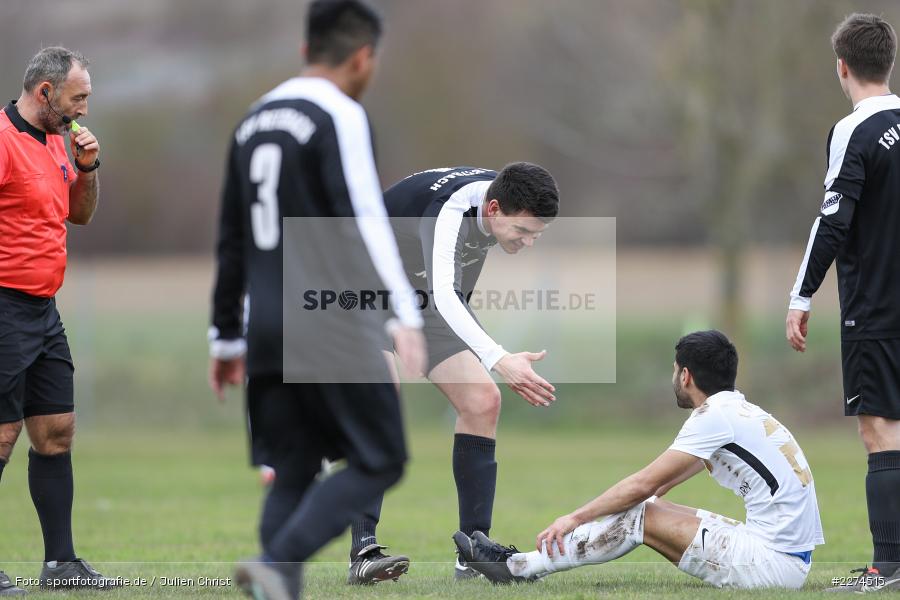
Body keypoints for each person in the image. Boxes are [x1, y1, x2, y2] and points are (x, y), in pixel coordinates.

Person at [207, 1, 425, 598]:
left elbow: (230, 238)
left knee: (295, 472)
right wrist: (404, 312)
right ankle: (278, 561)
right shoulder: (341, 116)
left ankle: (275, 575)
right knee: (381, 460)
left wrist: (226, 337)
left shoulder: (252, 120)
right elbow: (365, 219)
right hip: (329, 322)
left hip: (268, 330)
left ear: (305, 51)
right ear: (363, 57)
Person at [454, 330, 824, 590]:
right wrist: (631, 503)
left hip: (773, 565)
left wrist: (574, 518)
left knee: (642, 513)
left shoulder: (714, 417)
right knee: (648, 507)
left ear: (686, 375)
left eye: (674, 370)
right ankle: (523, 564)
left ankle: (518, 568)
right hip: (786, 559)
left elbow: (642, 486)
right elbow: (658, 486)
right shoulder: (738, 411)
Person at [345, 164, 560, 584]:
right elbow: (445, 295)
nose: (529, 241)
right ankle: (363, 553)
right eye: (523, 230)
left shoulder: (500, 202)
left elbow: (451, 297)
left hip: (418, 298)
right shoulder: (451, 210)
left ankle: (473, 553)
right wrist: (499, 358)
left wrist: (488, 358)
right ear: (494, 208)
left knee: (482, 401)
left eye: (538, 233)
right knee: (379, 401)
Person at [786, 13, 900, 593]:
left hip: (876, 307)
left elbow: (832, 222)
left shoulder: (852, 131)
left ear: (843, 67)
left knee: (880, 430)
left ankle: (884, 569)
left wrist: (800, 296)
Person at [0, 47, 116, 596]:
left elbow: (82, 214)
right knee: (1, 435)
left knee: (56, 432)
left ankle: (60, 564)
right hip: (2, 306)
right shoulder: (2, 140)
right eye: (78, 98)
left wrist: (88, 167)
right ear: (44, 93)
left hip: (43, 310)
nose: (84, 110)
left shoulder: (59, 141)